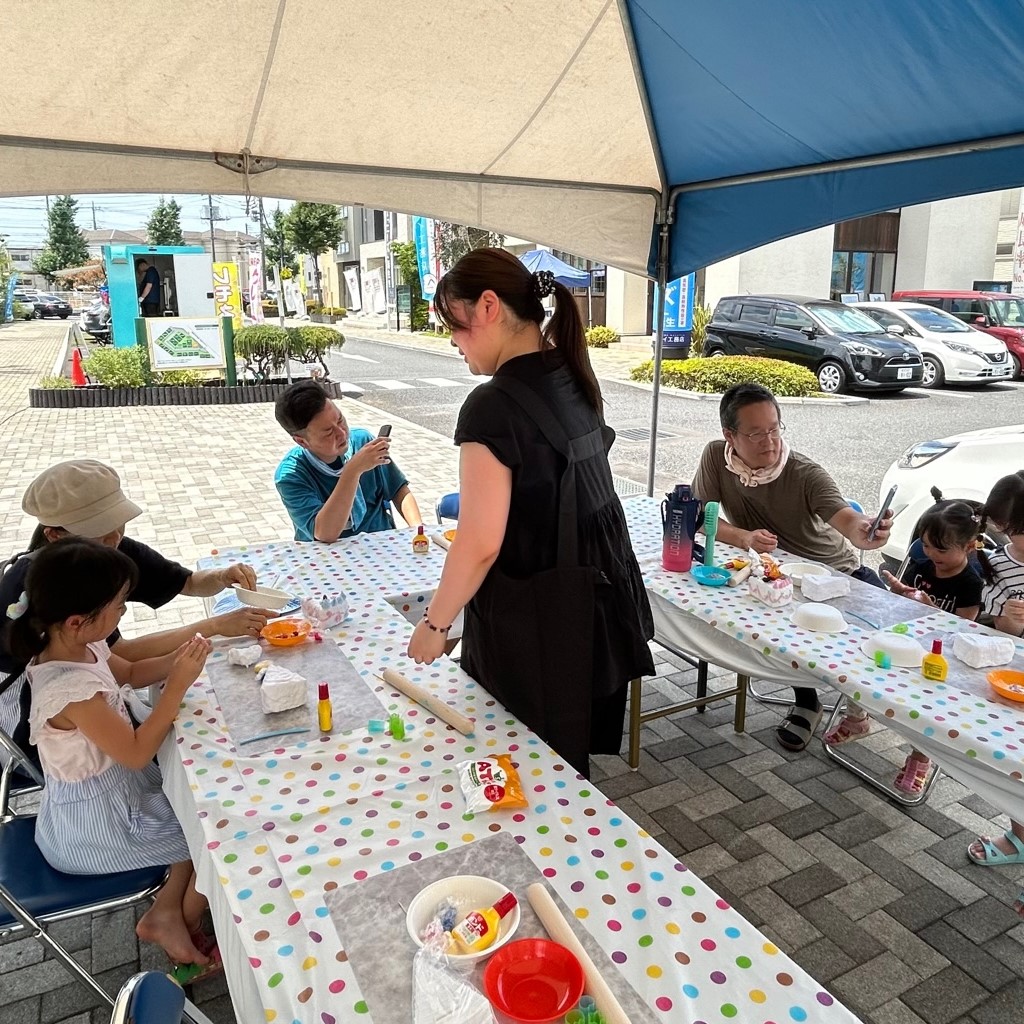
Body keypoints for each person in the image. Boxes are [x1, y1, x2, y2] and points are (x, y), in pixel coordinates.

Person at [406, 249, 654, 776]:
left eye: (453, 324)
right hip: (594, 606)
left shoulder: (492, 406)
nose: (452, 340)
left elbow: (480, 542)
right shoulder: (570, 374)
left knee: (519, 765)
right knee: (561, 768)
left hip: (536, 624)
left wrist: (435, 623)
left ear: (488, 307)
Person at [6, 537, 216, 971]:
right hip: (96, 828)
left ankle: (165, 910)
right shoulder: (70, 690)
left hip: (120, 797)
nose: (123, 612)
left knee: (199, 809)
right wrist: (176, 686)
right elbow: (137, 753)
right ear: (78, 620)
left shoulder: (81, 647)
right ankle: (183, 919)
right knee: (214, 839)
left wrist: (182, 656)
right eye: (119, 605)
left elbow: (133, 672)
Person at [1, 460, 269, 766]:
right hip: (48, 738)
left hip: (104, 712)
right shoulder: (44, 594)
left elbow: (185, 584)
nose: (115, 538)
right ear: (54, 535)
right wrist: (212, 628)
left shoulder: (108, 551)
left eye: (119, 523)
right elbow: (122, 657)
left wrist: (222, 577)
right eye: (100, 532)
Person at [691, 383, 893, 751]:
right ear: (730, 436)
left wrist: (865, 531)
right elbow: (702, 517)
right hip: (775, 576)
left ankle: (866, 716)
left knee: (885, 647)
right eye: (756, 433)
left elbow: (847, 520)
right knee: (764, 624)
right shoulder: (716, 457)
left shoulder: (803, 473)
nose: (769, 442)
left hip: (835, 576)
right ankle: (807, 701)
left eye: (774, 429)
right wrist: (744, 537)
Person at [825, 497, 982, 792]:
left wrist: (931, 608)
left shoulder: (970, 582)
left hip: (938, 658)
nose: (931, 554)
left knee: (929, 705)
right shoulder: (922, 565)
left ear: (969, 547)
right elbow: (900, 603)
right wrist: (897, 592)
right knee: (861, 663)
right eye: (926, 545)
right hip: (903, 640)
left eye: (941, 549)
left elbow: (964, 628)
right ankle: (856, 718)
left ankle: (921, 757)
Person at [965, 471, 1024, 912]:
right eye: (1012, 532)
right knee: (1014, 769)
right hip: (1010, 682)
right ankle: (1019, 835)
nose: (1017, 542)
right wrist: (1003, 624)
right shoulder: (995, 564)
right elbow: (983, 626)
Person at [273, 380, 423, 542]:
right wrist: (352, 471)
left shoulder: (362, 442)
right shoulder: (291, 475)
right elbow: (324, 533)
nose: (342, 434)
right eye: (328, 432)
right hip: (325, 554)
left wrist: (418, 530)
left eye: (340, 420)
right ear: (302, 441)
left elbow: (398, 490)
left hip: (380, 544)